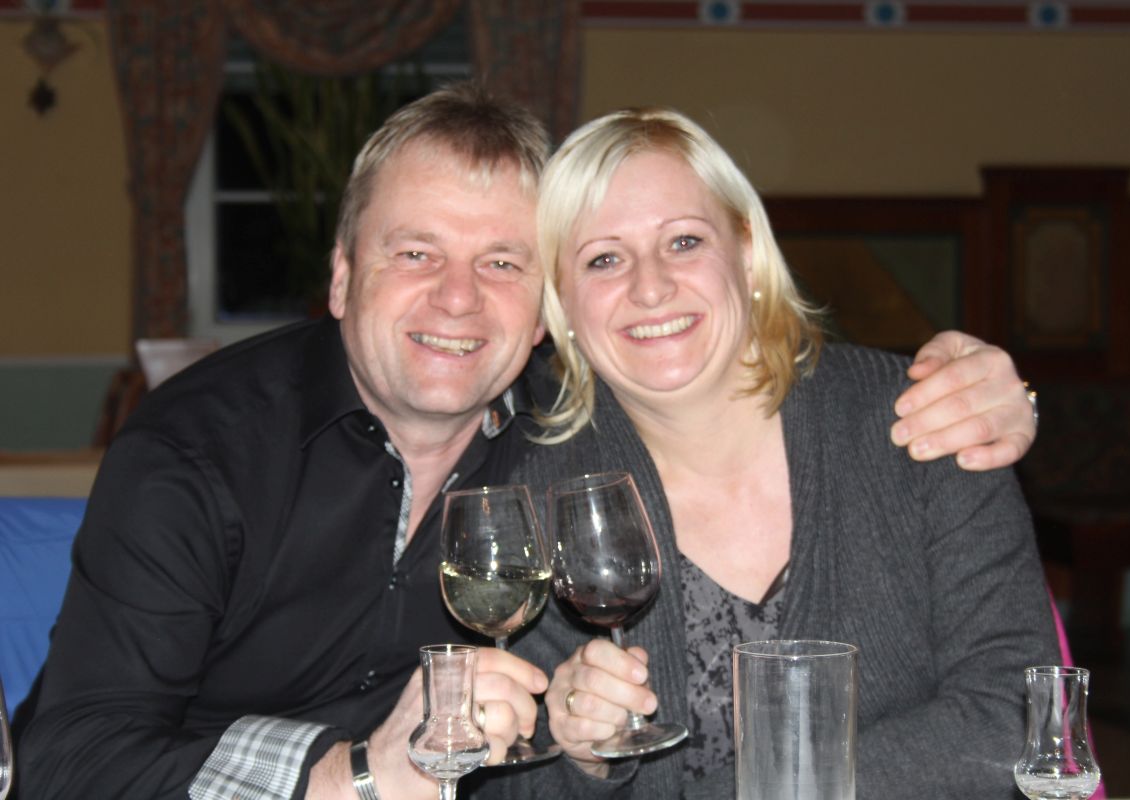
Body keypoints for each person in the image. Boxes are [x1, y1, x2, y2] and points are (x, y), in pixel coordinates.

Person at [14, 83, 1036, 800]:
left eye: (501, 262)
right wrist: (360, 775)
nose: (458, 299)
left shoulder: (571, 443)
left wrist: (1004, 388)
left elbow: (1023, 714)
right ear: (341, 277)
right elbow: (70, 761)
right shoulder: (203, 452)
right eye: (416, 252)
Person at [482, 107, 1059, 800]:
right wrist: (585, 760)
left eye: (684, 242)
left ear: (748, 253)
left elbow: (1019, 716)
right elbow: (516, 787)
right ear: (562, 305)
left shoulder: (921, 421)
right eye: (603, 259)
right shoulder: (544, 496)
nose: (650, 286)